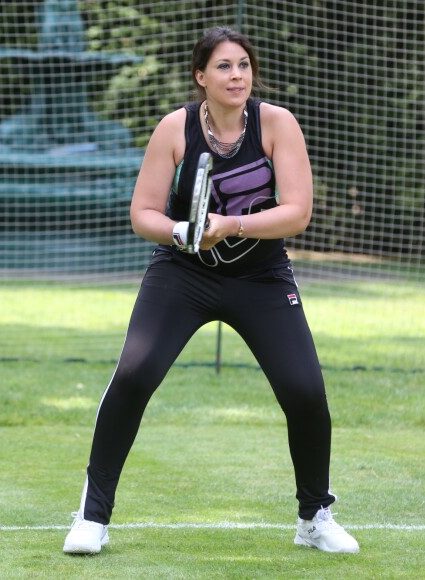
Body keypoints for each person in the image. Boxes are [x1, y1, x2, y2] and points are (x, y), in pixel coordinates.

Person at [63, 26, 359, 556]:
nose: (237, 75)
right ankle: (92, 516)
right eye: (224, 66)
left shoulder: (277, 124)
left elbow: (297, 212)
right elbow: (142, 214)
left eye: (244, 65)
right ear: (201, 76)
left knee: (306, 392)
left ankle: (314, 515)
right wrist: (181, 231)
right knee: (134, 374)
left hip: (262, 276)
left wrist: (229, 225)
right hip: (183, 274)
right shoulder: (175, 129)